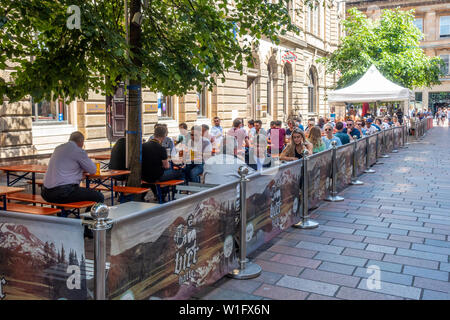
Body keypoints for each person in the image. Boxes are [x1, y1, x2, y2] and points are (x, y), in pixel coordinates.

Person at [42, 131, 104, 204]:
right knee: (99, 197)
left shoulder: (58, 148)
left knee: (83, 193)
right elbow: (93, 170)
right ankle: (87, 215)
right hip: (63, 192)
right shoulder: (77, 151)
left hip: (46, 193)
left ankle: (65, 214)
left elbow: (67, 167)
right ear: (81, 142)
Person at [142, 125, 183, 200]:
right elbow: (166, 166)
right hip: (156, 177)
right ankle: (174, 197)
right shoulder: (161, 148)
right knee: (179, 172)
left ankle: (162, 194)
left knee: (168, 171)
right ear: (164, 136)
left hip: (144, 175)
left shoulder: (143, 146)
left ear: (154, 134)